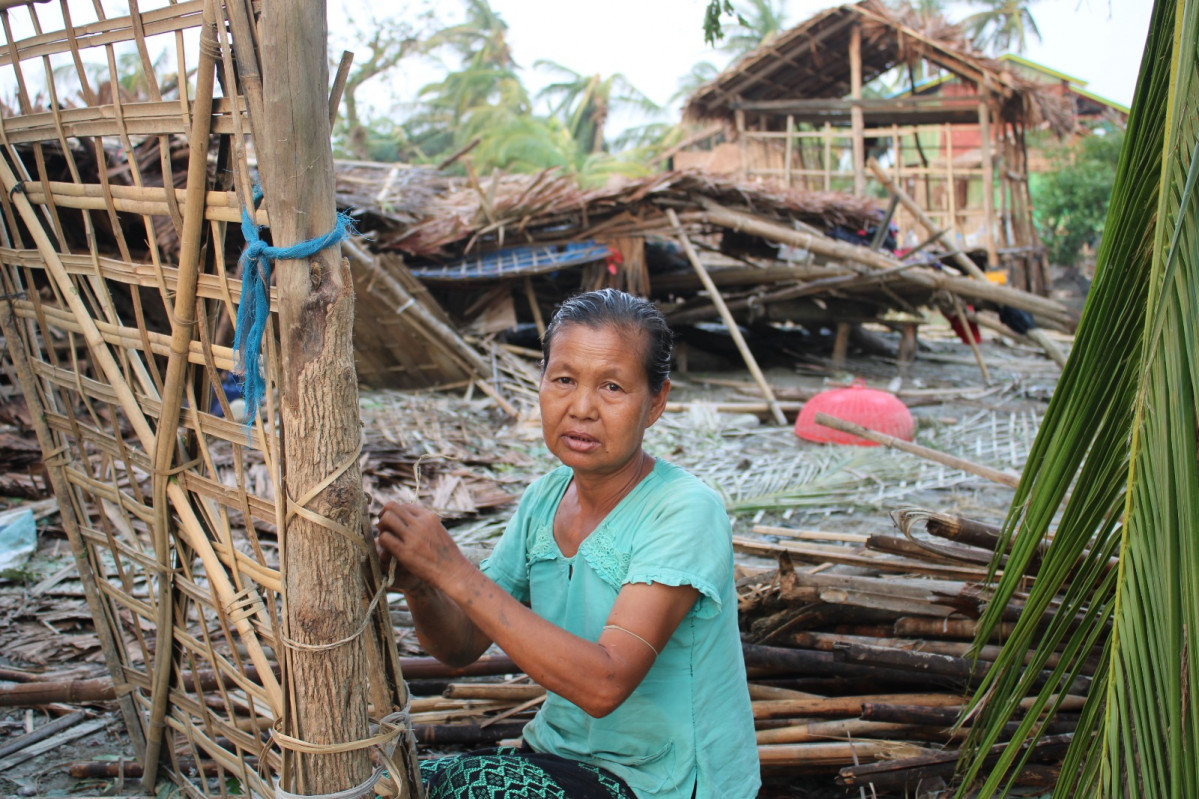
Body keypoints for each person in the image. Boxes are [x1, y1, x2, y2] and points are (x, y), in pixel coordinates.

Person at [376, 288, 760, 799]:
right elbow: (461, 646)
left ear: (657, 402)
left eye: (612, 388)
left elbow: (606, 684)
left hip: (661, 783)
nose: (581, 408)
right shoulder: (545, 498)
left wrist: (454, 571)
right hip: (560, 758)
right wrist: (423, 587)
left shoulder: (685, 511)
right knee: (402, 785)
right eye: (563, 380)